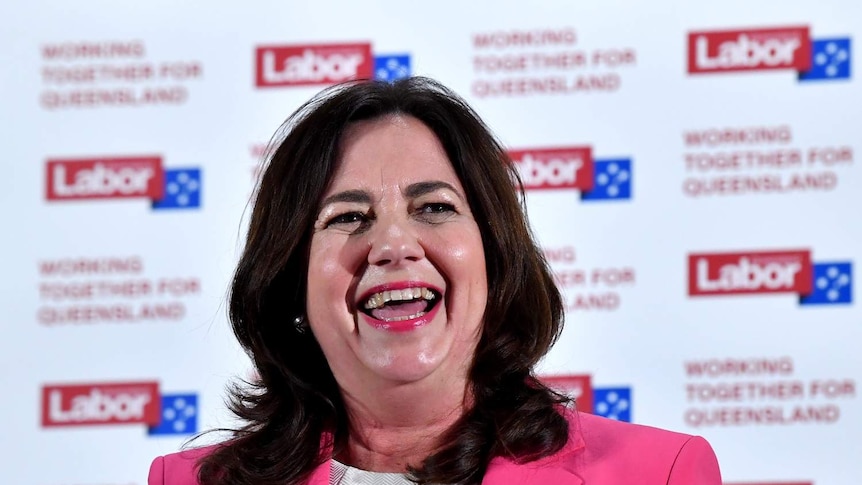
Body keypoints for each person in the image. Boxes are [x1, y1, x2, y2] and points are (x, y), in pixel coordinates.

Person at [148, 76, 721, 484]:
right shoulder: (187, 481)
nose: (394, 246)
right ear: (290, 279)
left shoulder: (659, 473)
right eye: (348, 217)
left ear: (494, 258)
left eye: (434, 207)